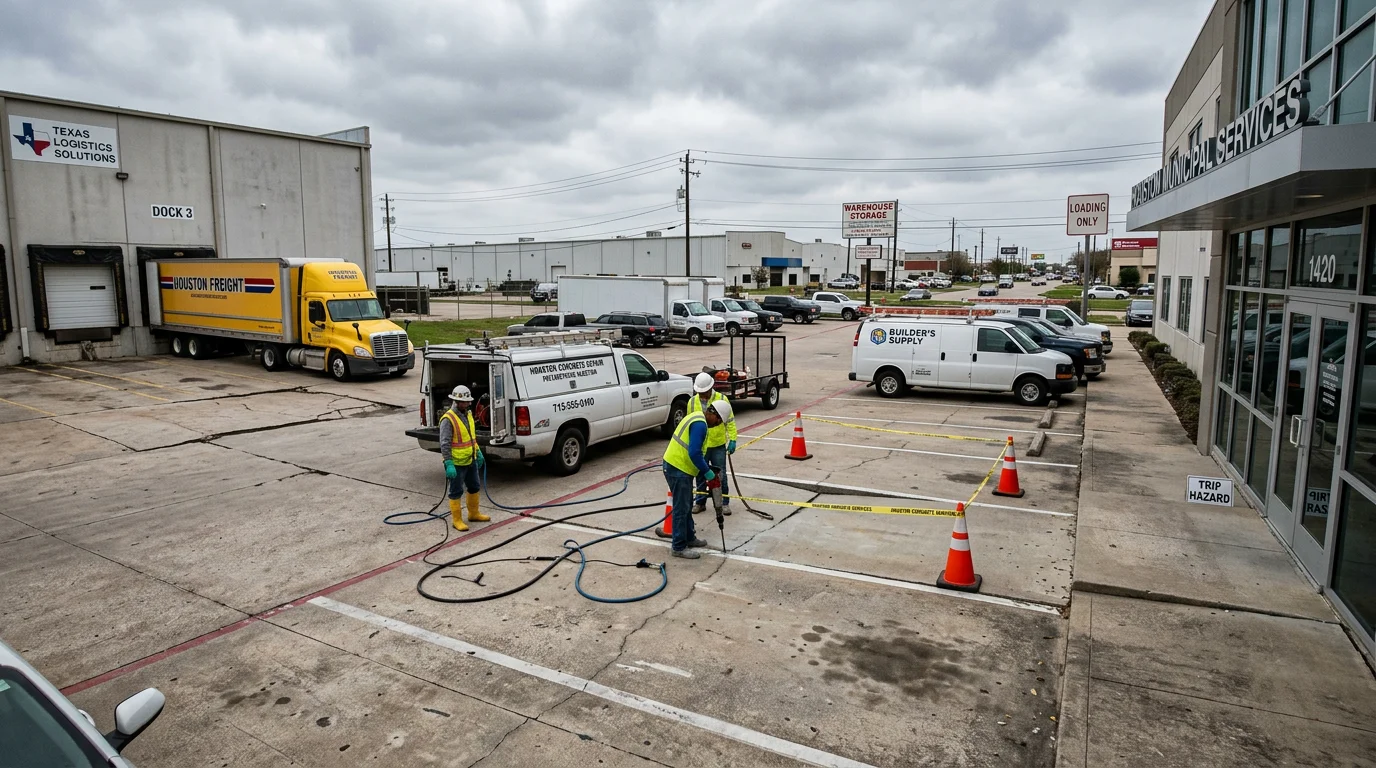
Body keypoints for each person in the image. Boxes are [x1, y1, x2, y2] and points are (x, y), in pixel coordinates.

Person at [662, 399, 731, 559]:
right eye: (719, 420)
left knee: (686, 504)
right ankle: (678, 547)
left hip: (679, 467)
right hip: (677, 468)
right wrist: (707, 472)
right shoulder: (700, 424)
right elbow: (694, 452)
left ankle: (689, 537)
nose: (718, 424)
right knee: (681, 507)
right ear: (713, 414)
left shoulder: (698, 418)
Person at [439, 386, 490, 532]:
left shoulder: (468, 415)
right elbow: (445, 443)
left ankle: (473, 514)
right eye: (464, 402)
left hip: (470, 459)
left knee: (474, 487)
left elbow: (471, 437)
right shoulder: (448, 419)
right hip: (456, 463)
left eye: (468, 402)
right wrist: (448, 463)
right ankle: (457, 520)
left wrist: (478, 452)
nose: (467, 404)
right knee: (455, 491)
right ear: (456, 401)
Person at [687, 372, 737, 515]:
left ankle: (724, 502)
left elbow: (730, 421)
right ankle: (700, 501)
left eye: (704, 392)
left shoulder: (722, 399)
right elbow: (689, 422)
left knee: (720, 474)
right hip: (701, 446)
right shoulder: (692, 402)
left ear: (710, 388)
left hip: (717, 444)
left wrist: (732, 439)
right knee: (701, 473)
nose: (702, 395)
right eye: (700, 392)